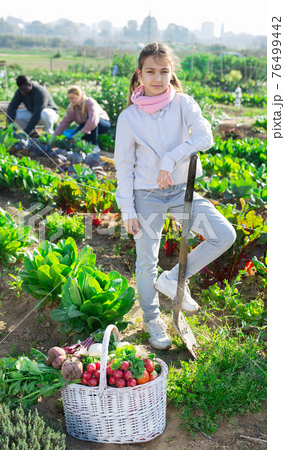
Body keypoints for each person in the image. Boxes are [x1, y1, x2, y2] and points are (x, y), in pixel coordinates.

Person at [114, 42, 236, 350]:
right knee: (146, 261)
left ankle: (173, 280)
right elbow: (124, 166)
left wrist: (170, 159)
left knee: (223, 234)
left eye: (164, 71)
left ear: (172, 72)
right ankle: (153, 321)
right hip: (146, 193)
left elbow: (204, 138)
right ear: (139, 74)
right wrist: (127, 209)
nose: (157, 79)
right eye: (150, 72)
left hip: (183, 188)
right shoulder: (129, 118)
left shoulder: (184, 104)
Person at [53, 85, 111, 151]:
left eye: (72, 98)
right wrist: (55, 134)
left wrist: (82, 132)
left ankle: (95, 145)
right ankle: (86, 145)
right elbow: (65, 122)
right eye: (69, 98)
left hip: (102, 124)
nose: (70, 100)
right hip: (87, 124)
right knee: (76, 134)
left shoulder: (89, 102)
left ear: (79, 96)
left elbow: (93, 120)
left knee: (91, 122)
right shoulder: (72, 107)